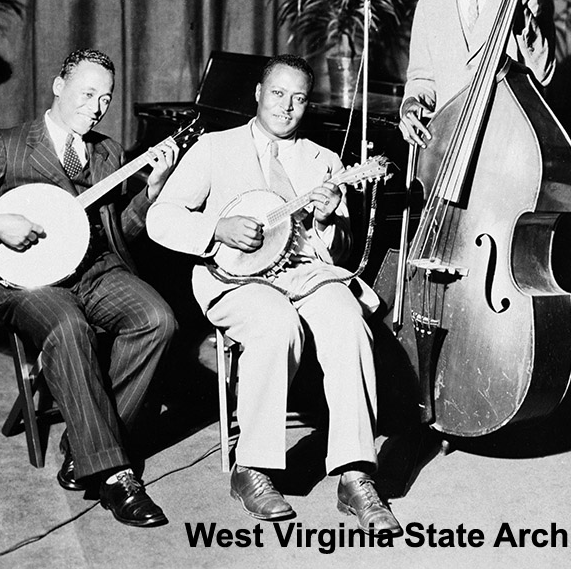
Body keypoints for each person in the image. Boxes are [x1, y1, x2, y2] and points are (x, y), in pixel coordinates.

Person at [145, 54, 402, 534]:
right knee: (274, 321)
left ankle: (355, 473)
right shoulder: (213, 148)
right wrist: (216, 227)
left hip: (304, 273)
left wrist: (327, 220)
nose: (287, 107)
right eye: (278, 93)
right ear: (259, 93)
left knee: (347, 317)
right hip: (234, 278)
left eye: (299, 98)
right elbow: (160, 217)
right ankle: (253, 468)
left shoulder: (324, 161)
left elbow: (338, 250)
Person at [0, 48, 178, 528]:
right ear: (58, 86)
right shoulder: (9, 144)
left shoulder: (108, 152)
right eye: (86, 93)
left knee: (158, 320)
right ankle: (114, 473)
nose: (96, 107)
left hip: (93, 270)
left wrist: (153, 192)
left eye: (105, 98)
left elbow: (118, 232)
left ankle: (82, 445)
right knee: (67, 326)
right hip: (30, 280)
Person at [399, 0, 556, 147]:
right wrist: (410, 105)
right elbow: (422, 80)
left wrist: (523, 14)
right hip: (448, 143)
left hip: (506, 141)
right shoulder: (429, 5)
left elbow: (543, 74)